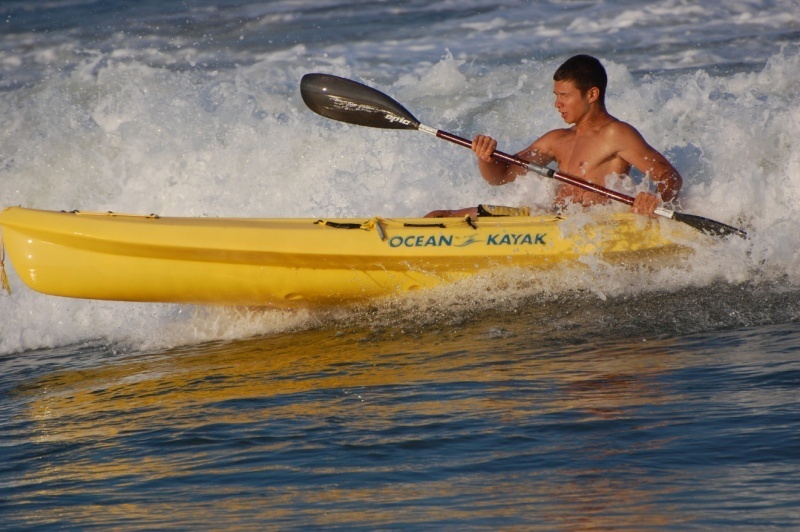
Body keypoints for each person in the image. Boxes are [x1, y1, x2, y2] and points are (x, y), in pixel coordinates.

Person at [425, 54, 682, 218]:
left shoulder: (617, 134)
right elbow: (500, 177)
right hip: (552, 220)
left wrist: (655, 201)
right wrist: (485, 158)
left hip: (592, 227)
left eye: (565, 96)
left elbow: (669, 177)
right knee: (442, 216)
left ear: (592, 94)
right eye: (556, 96)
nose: (557, 104)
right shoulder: (555, 140)